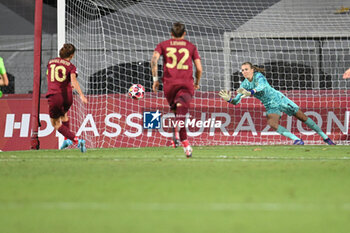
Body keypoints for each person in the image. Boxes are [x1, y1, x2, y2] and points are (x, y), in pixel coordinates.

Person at [219, 62, 336, 145]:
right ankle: (297, 140)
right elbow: (236, 101)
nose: (244, 72)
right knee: (272, 124)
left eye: (246, 69)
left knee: (302, 117)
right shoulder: (244, 84)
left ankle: (325, 138)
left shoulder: (258, 76)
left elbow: (262, 86)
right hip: (270, 105)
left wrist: (251, 92)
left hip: (279, 99)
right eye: (242, 70)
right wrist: (229, 100)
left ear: (252, 70)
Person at [151, 22, 203, 157]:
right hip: (186, 84)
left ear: (171, 34)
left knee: (178, 113)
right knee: (180, 114)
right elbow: (199, 68)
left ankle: (184, 144)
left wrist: (155, 80)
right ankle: (181, 136)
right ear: (184, 33)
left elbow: (154, 61)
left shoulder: (163, 45)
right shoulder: (191, 47)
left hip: (169, 85)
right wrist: (197, 82)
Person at [46, 43, 88, 152]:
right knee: (64, 115)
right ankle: (66, 140)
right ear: (72, 55)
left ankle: (77, 140)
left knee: (55, 123)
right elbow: (73, 81)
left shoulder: (50, 63)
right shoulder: (71, 66)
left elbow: (51, 76)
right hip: (67, 96)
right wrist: (81, 96)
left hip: (55, 95)